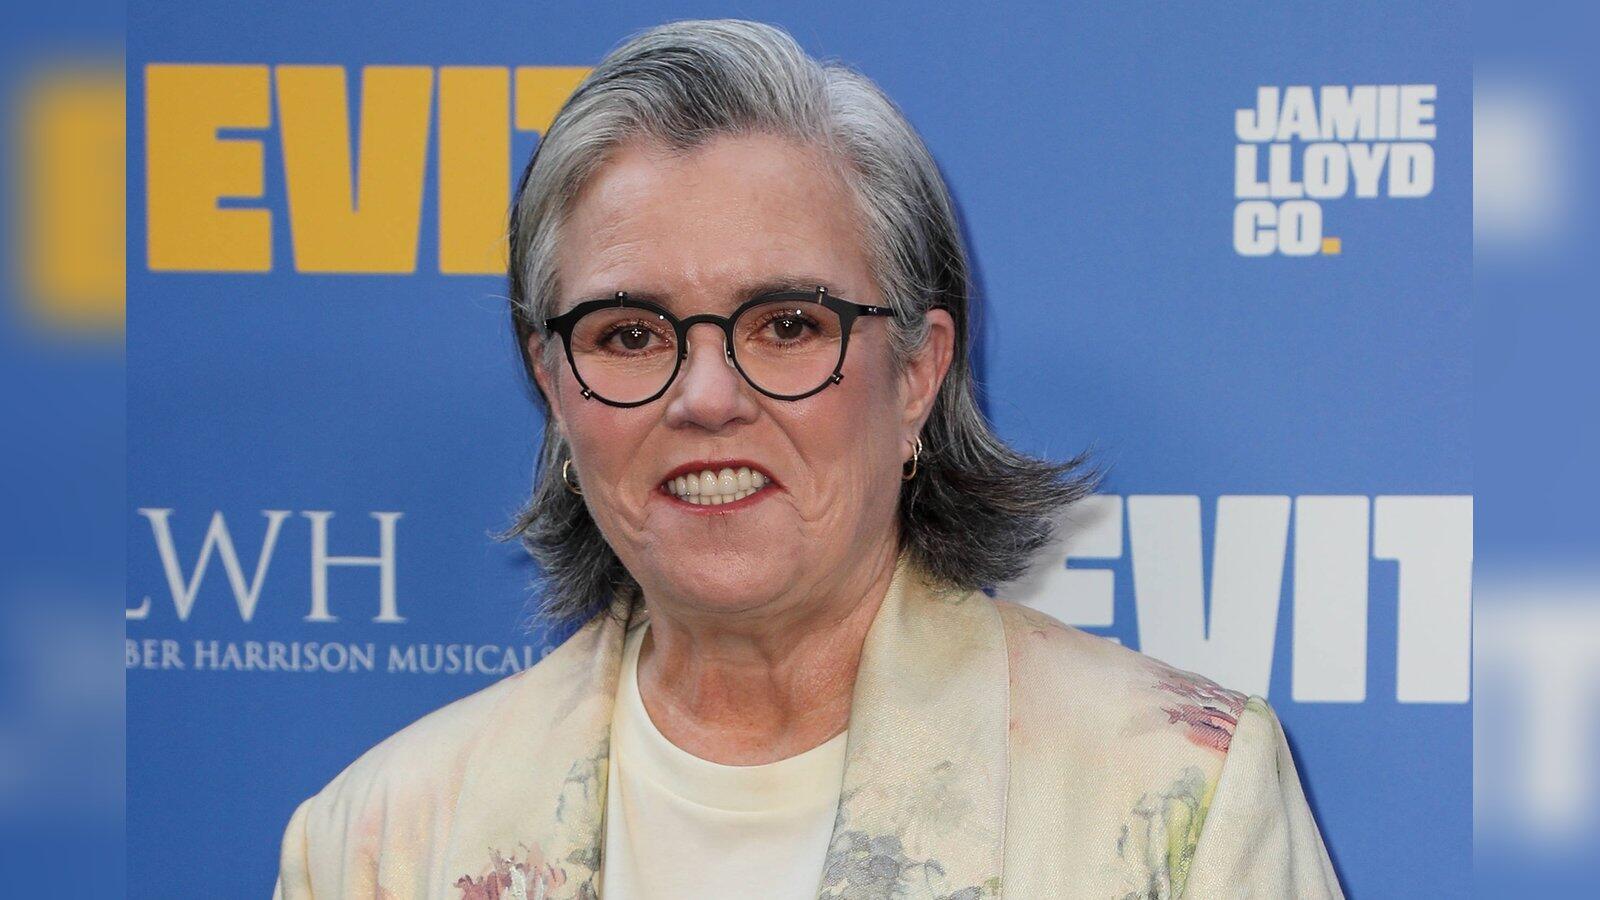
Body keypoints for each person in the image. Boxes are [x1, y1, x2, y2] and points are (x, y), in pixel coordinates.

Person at [274, 19, 1342, 899]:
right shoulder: (378, 846)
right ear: (552, 384)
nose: (705, 398)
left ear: (917, 374)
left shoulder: (1174, 802)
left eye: (787, 325)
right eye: (629, 333)